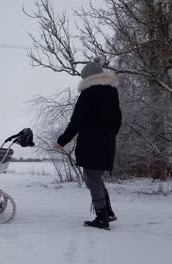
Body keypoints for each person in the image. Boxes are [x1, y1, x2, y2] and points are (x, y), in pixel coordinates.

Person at [55, 57, 122, 230]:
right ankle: (108, 212)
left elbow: (77, 121)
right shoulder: (112, 93)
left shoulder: (89, 93)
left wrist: (62, 141)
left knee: (92, 181)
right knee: (97, 179)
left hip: (91, 144)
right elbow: (118, 120)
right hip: (107, 143)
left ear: (89, 77)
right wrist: (108, 136)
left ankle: (102, 219)